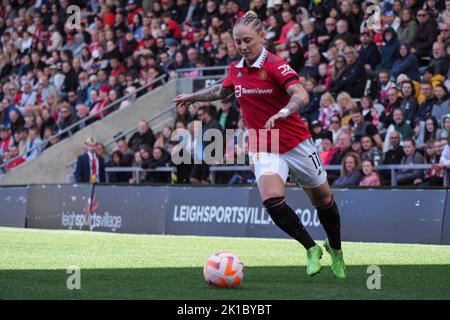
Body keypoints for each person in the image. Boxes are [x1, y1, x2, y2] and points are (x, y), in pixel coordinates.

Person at [174, 11, 346, 278]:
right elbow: (221, 90)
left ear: (262, 37)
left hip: (296, 141)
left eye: (247, 41)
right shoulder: (236, 70)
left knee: (323, 200)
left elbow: (300, 92)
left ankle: (335, 248)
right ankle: (311, 249)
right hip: (263, 144)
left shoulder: (276, 65)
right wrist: (193, 97)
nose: (243, 47)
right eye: (238, 42)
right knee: (272, 200)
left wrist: (287, 110)